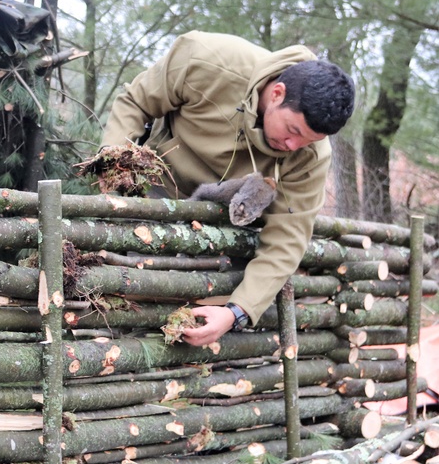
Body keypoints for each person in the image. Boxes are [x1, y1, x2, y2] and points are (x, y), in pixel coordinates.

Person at [100, 31, 355, 347]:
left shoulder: (311, 156)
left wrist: (238, 310)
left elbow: (288, 239)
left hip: (226, 228)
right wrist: (113, 171)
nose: (294, 146)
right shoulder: (207, 59)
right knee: (132, 296)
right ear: (276, 93)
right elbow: (136, 101)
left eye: (308, 141)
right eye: (292, 131)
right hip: (158, 191)